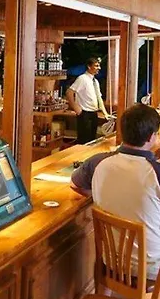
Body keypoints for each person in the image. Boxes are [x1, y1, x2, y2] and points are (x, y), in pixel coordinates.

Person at [71, 104, 160, 280]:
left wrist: (102, 195)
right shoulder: (155, 172)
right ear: (151, 137)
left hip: (111, 262)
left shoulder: (98, 162)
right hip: (150, 270)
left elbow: (75, 184)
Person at [66, 57, 110, 144]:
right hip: (84, 113)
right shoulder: (82, 78)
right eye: (96, 66)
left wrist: (105, 113)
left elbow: (99, 98)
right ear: (89, 67)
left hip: (94, 113)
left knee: (92, 140)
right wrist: (76, 108)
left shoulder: (95, 81)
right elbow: (69, 92)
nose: (99, 68)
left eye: (99, 66)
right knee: (84, 140)